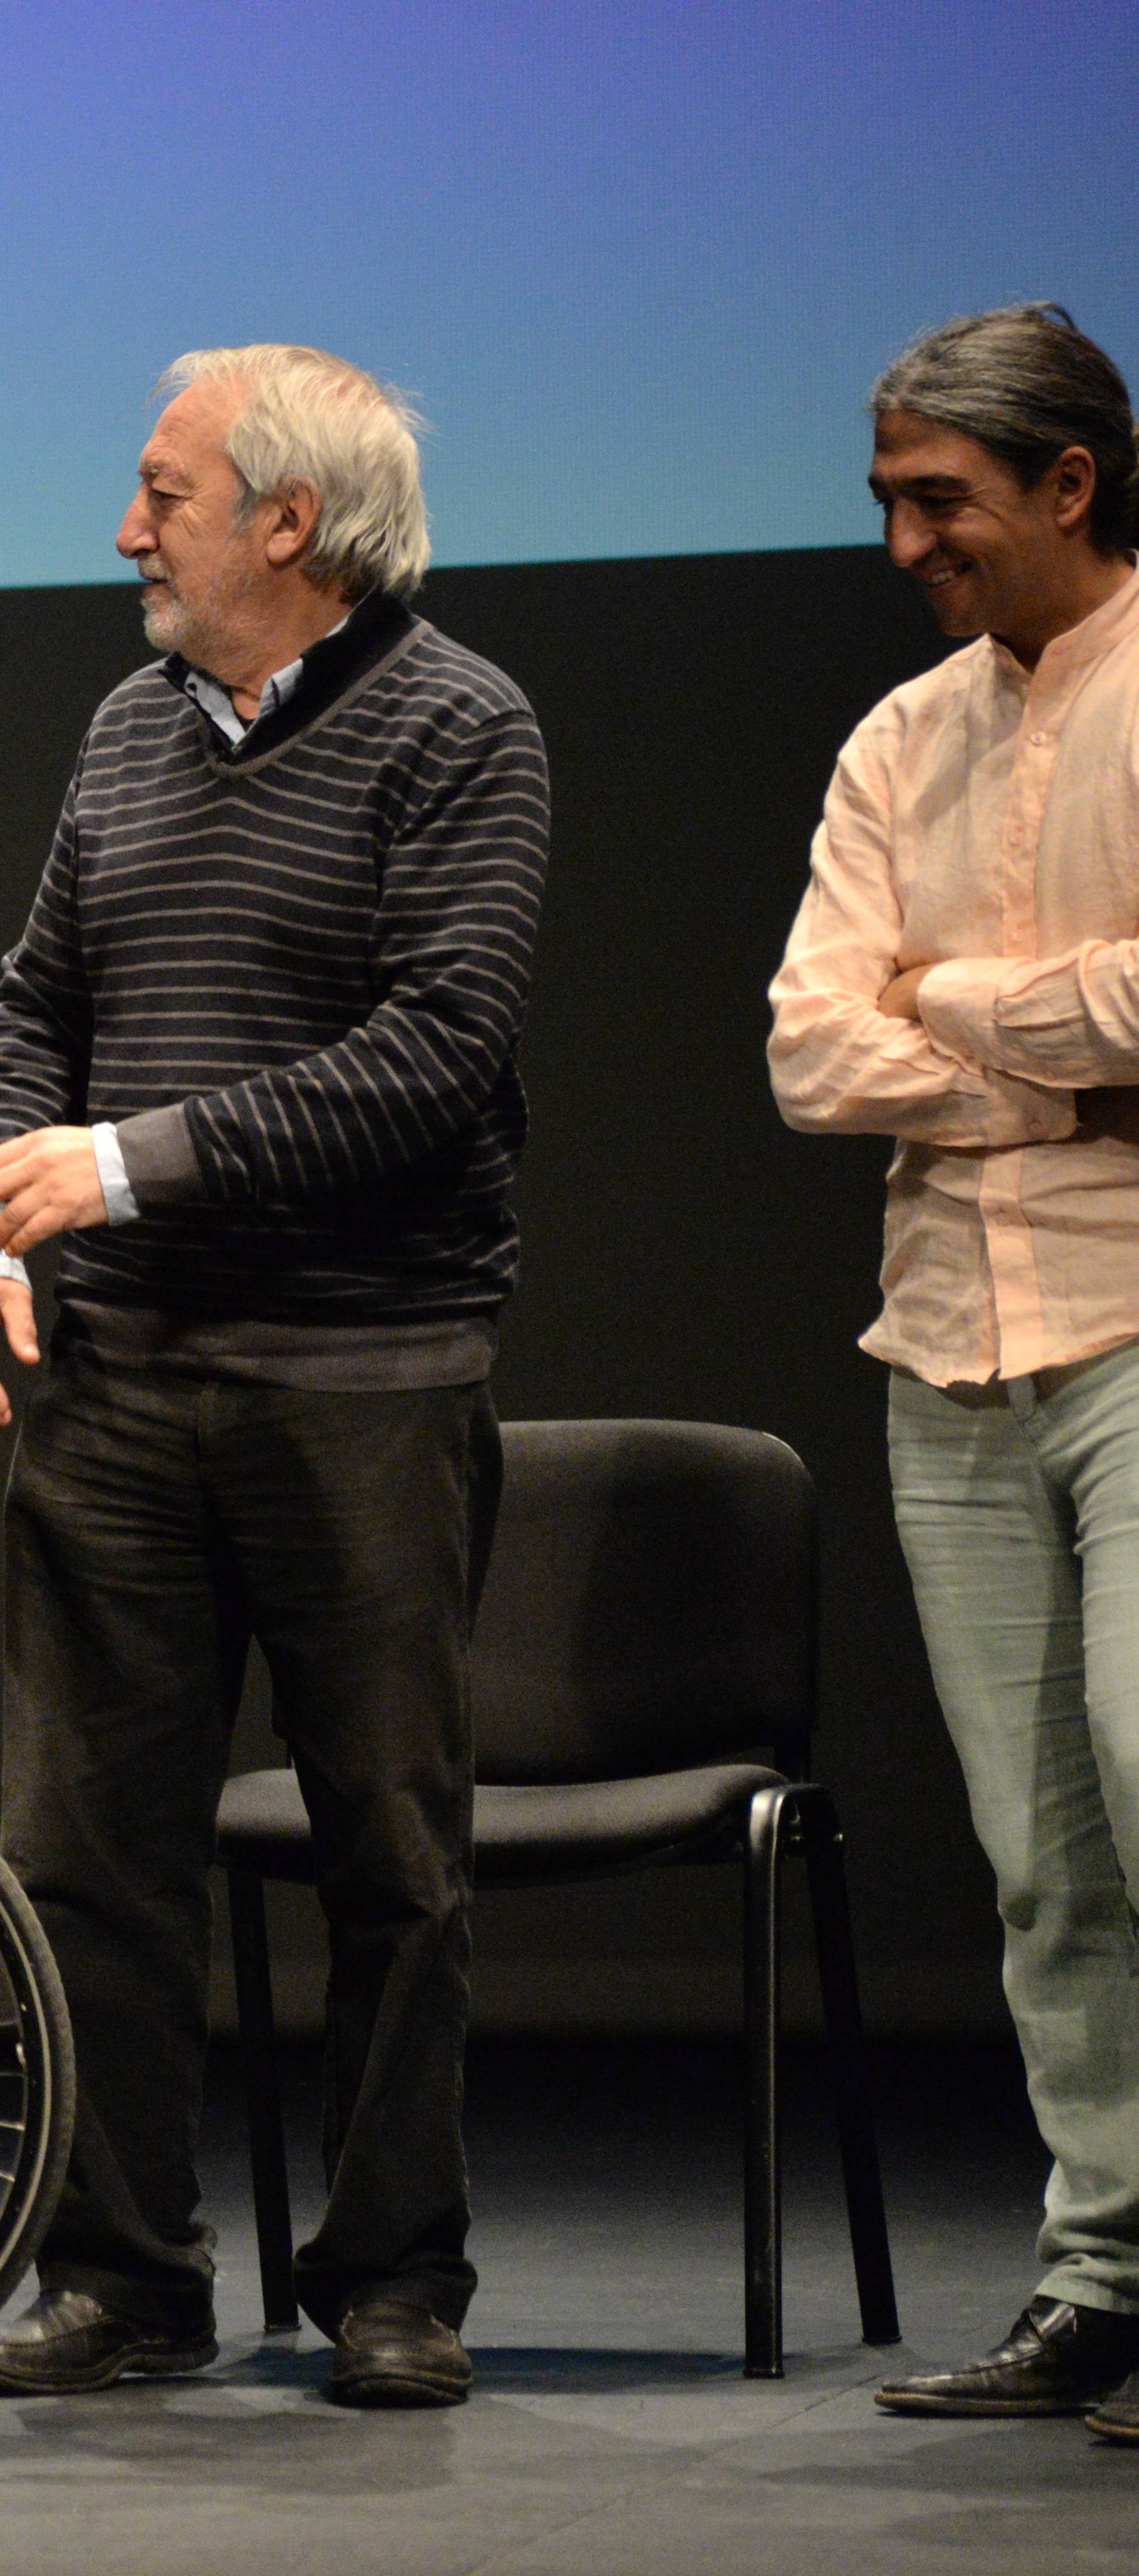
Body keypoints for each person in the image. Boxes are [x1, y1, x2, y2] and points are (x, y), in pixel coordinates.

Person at [0, 347, 548, 2411]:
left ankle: (396, 2278)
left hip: (361, 1376)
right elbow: (37, 1003)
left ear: (288, 523)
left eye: (163, 491)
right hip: (120, 1380)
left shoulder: (463, 728)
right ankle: (122, 2277)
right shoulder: (127, 728)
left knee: (390, 1849)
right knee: (89, 1852)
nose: (130, 529)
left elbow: (435, 1051)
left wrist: (123, 1165)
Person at [767, 303, 1139, 2434]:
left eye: (939, 500)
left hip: (1128, 1318)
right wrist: (1057, 1066)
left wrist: (962, 1007)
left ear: (1065, 484)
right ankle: (1100, 2275)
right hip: (949, 1349)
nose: (903, 541)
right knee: (1041, 1858)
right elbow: (810, 1045)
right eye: (888, 499)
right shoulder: (897, 739)